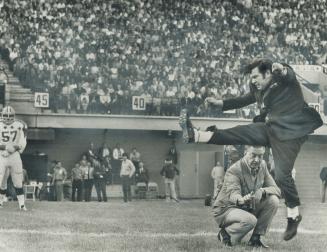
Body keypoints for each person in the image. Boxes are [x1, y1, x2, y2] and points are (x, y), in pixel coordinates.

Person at [179, 58, 323, 241]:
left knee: (281, 175)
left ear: (268, 73)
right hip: (270, 129)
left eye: (256, 76)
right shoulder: (257, 88)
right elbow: (243, 100)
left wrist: (282, 69)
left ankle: (293, 215)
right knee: (240, 133)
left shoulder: (283, 79)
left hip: (290, 135)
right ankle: (197, 136)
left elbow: (289, 75)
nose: (253, 80)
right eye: (251, 77)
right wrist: (221, 104)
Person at [213, 146, 281, 248]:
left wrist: (262, 191)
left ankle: (255, 239)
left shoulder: (263, 165)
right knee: (250, 220)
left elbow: (276, 190)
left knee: (273, 201)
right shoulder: (234, 170)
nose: (257, 160)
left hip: (246, 206)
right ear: (245, 152)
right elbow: (233, 195)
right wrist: (242, 199)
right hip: (226, 208)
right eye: (253, 155)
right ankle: (225, 234)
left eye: (260, 156)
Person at [0, 105, 28, 210]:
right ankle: (0, 202)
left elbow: (22, 142)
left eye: (9, 116)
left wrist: (12, 149)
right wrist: (6, 148)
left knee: (18, 180)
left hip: (14, 155)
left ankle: (21, 204)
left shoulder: (19, 125)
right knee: (1, 180)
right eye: (5, 115)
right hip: (1, 155)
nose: (7, 118)